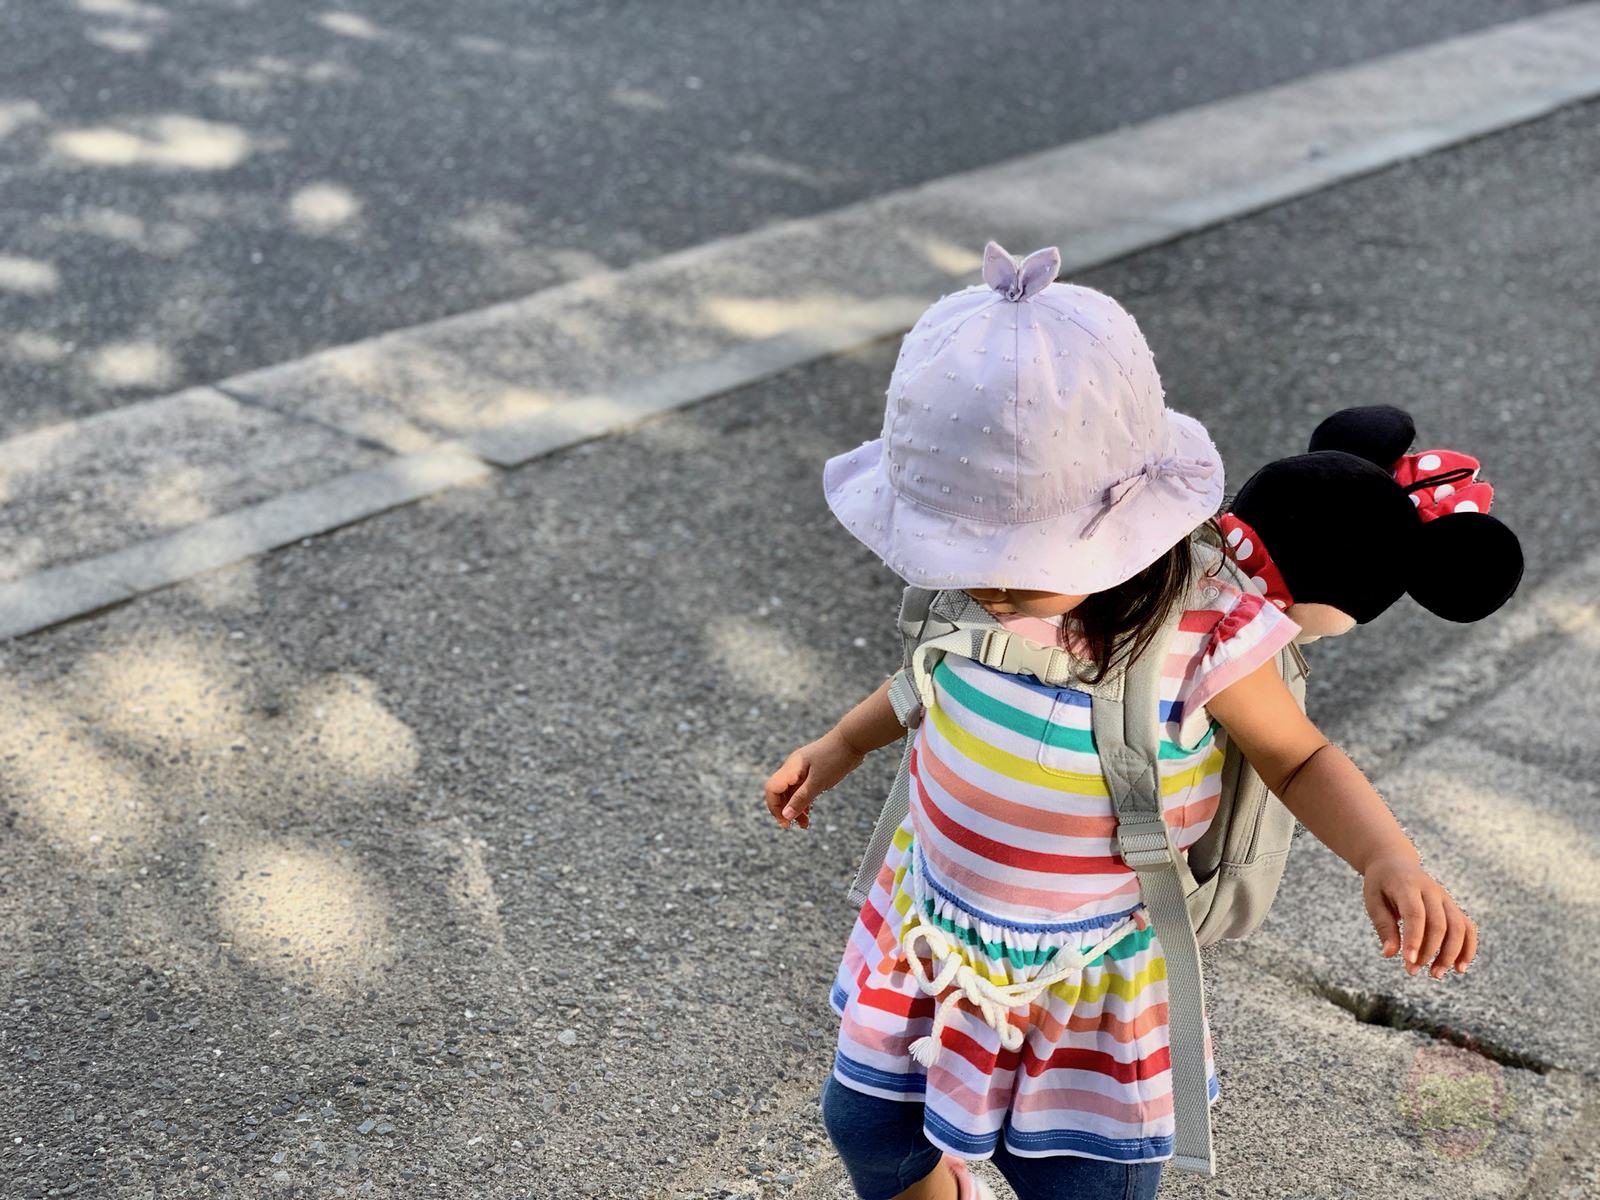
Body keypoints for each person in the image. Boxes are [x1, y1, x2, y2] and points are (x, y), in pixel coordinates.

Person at [761, 243, 1478, 1200]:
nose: (988, 586)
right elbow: (928, 679)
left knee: (1073, 1180)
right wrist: (839, 745)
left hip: (1088, 975)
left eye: (1012, 562)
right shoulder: (982, 597)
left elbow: (1299, 759)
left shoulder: (1206, 631)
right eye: (965, 557)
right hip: (930, 930)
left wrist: (1389, 856)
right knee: (869, 1130)